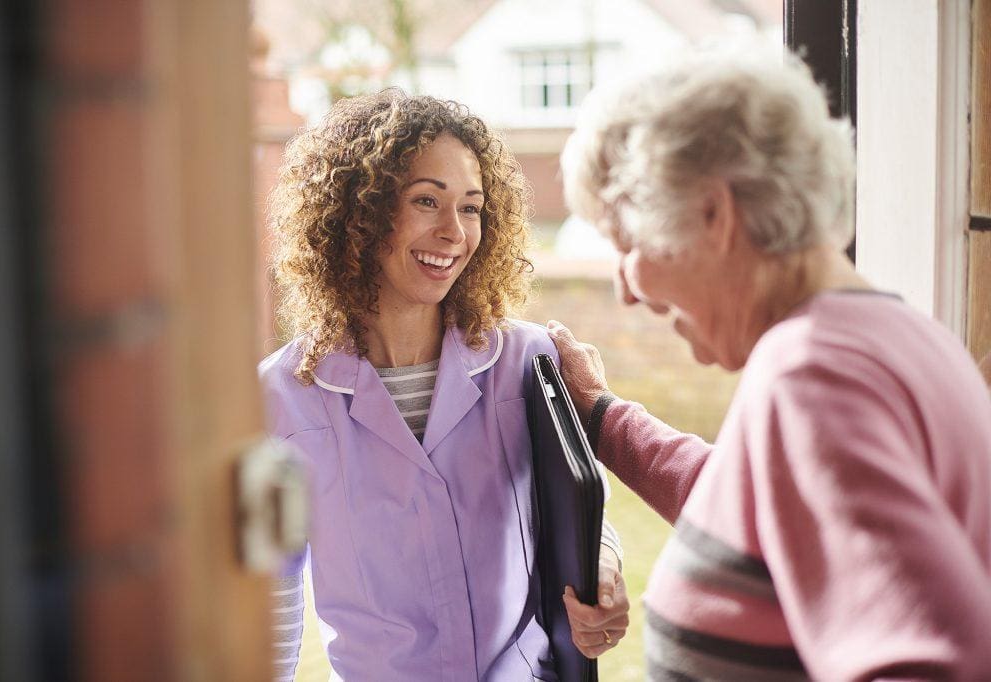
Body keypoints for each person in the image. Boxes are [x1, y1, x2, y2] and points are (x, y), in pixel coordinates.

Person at [549, 46, 991, 680]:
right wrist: (601, 416)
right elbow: (779, 519)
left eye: (629, 245)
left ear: (714, 214)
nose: (624, 289)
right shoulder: (898, 337)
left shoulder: (814, 375)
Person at [259, 89, 629, 681]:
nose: (454, 231)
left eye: (473, 207)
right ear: (362, 211)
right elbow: (267, 599)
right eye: (426, 201)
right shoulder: (280, 397)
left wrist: (603, 568)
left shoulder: (528, 362)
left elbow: (580, 513)